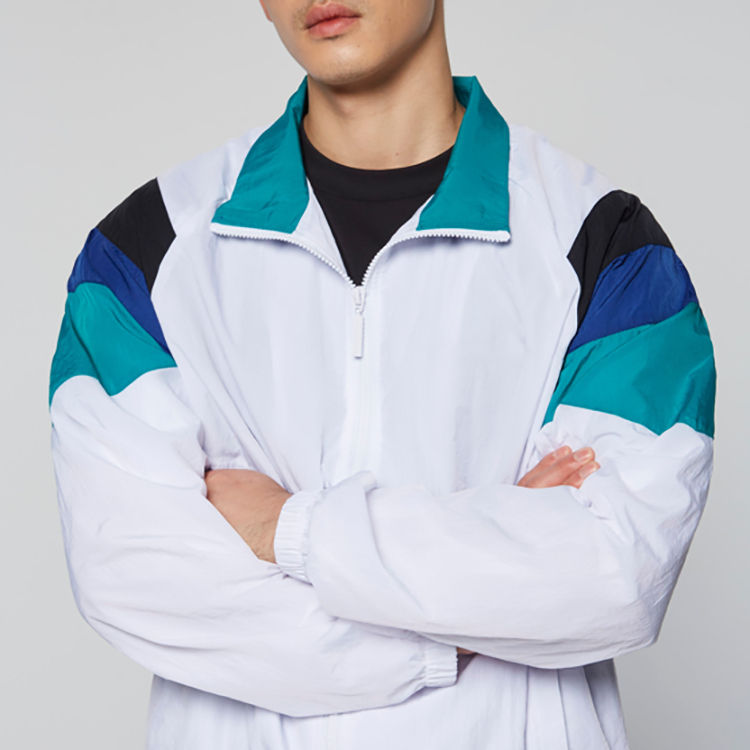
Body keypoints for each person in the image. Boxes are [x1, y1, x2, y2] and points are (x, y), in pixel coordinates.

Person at [47, 0, 716, 748]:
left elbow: (615, 574)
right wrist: (462, 630)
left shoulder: (604, 241)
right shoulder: (145, 249)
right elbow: (133, 574)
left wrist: (286, 527)